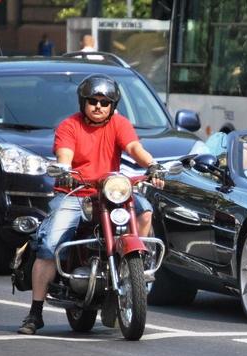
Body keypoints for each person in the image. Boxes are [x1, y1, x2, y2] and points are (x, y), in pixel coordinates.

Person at [17, 74, 164, 335]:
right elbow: (65, 154)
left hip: (111, 191)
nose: (98, 106)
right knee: (50, 245)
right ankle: (35, 313)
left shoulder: (119, 124)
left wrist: (152, 166)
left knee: (145, 211)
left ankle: (134, 268)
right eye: (93, 101)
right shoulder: (69, 126)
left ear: (112, 106)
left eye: (105, 102)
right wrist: (63, 168)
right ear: (83, 102)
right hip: (75, 191)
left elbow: (134, 147)